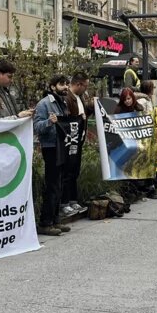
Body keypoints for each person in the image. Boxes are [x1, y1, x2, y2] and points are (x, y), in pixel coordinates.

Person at [33, 74, 72, 236]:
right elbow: (36, 127)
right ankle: (45, 222)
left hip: (62, 146)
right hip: (50, 147)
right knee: (52, 184)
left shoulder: (62, 102)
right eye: (62, 84)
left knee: (60, 184)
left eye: (67, 84)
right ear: (52, 87)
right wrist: (49, 122)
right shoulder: (44, 104)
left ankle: (55, 219)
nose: (65, 87)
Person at [60, 72, 90, 218]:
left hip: (78, 139)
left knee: (74, 171)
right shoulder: (67, 97)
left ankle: (72, 199)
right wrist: (79, 117)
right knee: (67, 171)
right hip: (69, 140)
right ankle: (64, 202)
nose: (86, 89)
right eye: (85, 85)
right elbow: (65, 117)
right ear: (79, 84)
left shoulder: (80, 97)